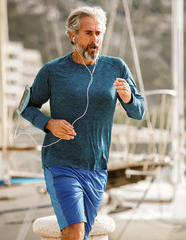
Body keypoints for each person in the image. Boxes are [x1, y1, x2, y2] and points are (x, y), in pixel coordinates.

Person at [21, 6, 145, 240]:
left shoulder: (116, 67)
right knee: (75, 231)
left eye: (99, 33)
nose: (94, 40)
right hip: (60, 163)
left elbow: (139, 112)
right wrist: (49, 124)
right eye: (88, 33)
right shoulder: (52, 71)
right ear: (73, 36)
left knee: (81, 234)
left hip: (97, 167)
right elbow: (26, 107)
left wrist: (128, 98)